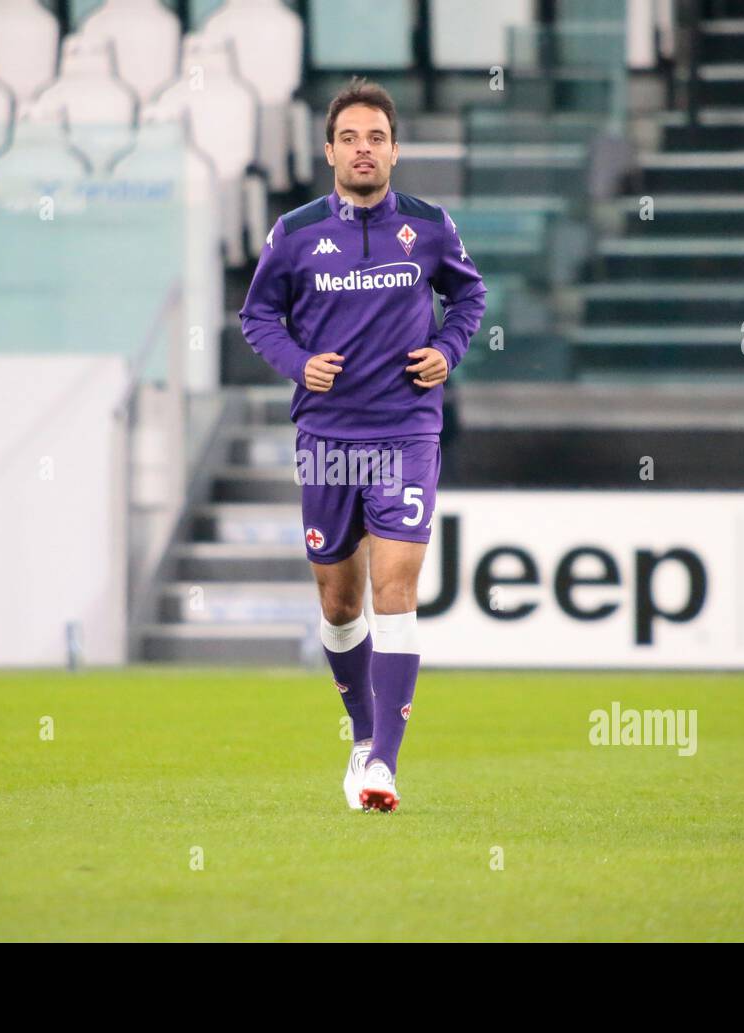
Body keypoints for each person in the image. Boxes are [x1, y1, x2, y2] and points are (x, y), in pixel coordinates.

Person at [239, 77, 487, 812]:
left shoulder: (430, 225)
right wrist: (297, 364)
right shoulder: (295, 233)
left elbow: (469, 296)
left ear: (395, 149)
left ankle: (383, 763)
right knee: (340, 602)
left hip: (406, 429)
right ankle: (360, 731)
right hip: (325, 436)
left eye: (375, 136)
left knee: (396, 589)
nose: (363, 148)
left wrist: (448, 347)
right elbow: (258, 318)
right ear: (329, 151)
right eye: (349, 137)